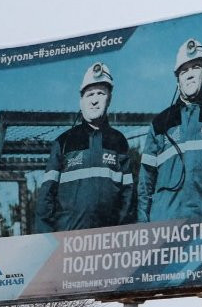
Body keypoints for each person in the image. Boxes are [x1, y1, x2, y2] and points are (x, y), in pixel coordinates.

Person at [137, 38, 202, 222]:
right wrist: (143, 228)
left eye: (196, 67)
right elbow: (145, 183)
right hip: (164, 229)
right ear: (178, 80)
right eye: (184, 71)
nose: (190, 75)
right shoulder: (160, 124)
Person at [35, 62, 136, 233]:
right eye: (89, 94)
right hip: (68, 244)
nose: (95, 100)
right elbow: (45, 200)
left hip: (108, 243)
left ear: (109, 98)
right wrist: (46, 243)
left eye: (100, 93)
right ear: (81, 101)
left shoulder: (119, 142)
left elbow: (128, 198)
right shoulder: (63, 142)